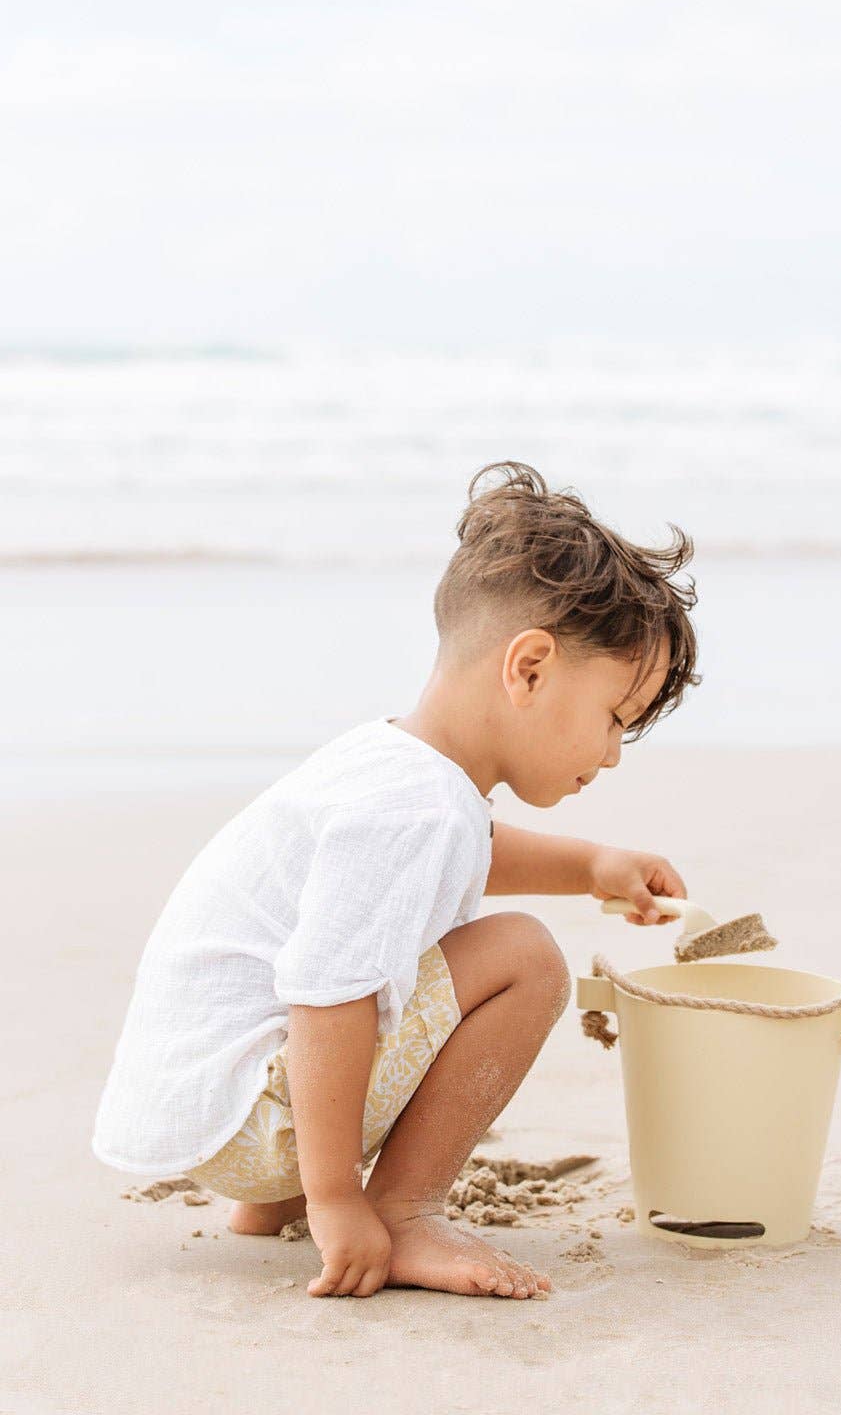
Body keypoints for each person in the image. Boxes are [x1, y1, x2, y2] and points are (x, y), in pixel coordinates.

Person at [91, 460, 702, 1300]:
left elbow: (473, 849)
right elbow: (327, 990)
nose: (608, 755)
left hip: (204, 1098)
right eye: (612, 721)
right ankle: (407, 1210)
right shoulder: (415, 810)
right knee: (525, 957)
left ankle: (269, 1207)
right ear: (528, 670)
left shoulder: (400, 771)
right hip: (251, 1113)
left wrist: (594, 865)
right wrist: (339, 1199)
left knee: (440, 953)